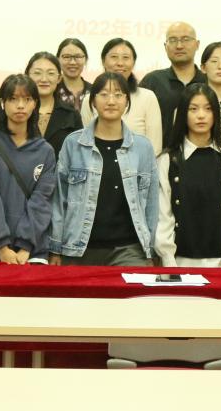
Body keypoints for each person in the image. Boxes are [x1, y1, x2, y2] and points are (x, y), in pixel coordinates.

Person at [52, 72, 160, 266]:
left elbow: (151, 203)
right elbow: (60, 199)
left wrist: (150, 249)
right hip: (78, 249)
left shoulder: (143, 147)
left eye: (118, 95)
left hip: (129, 250)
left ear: (127, 101)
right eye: (103, 94)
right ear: (93, 100)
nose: (111, 101)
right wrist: (55, 248)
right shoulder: (73, 143)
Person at [154, 84, 221, 268]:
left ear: (216, 114)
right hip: (178, 261)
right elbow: (163, 215)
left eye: (208, 109)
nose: (201, 115)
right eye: (193, 109)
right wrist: (169, 261)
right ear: (183, 114)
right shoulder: (168, 160)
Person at [0, 74, 56, 264]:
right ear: (3, 103)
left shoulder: (46, 151)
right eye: (13, 99)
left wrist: (26, 246)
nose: (20, 105)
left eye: (27, 99)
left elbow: (42, 201)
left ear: (35, 104)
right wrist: (2, 246)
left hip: (32, 252)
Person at [80, 38, 162, 153]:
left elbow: (154, 147)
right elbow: (86, 142)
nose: (120, 63)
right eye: (114, 57)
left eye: (126, 58)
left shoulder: (147, 97)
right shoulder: (90, 99)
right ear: (103, 61)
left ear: (133, 63)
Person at [139, 21, 206, 142]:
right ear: (165, 46)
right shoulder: (152, 81)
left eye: (185, 39)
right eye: (173, 40)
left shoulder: (208, 81)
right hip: (160, 152)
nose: (179, 46)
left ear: (197, 44)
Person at [25, 51, 83, 155]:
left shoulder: (71, 114)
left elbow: (79, 154)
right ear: (27, 76)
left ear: (59, 78)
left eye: (51, 73)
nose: (44, 79)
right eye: (37, 73)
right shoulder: (18, 111)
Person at [55, 38, 92, 113]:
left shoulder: (94, 91)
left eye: (78, 57)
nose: (72, 62)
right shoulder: (52, 91)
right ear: (58, 59)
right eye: (66, 57)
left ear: (86, 60)